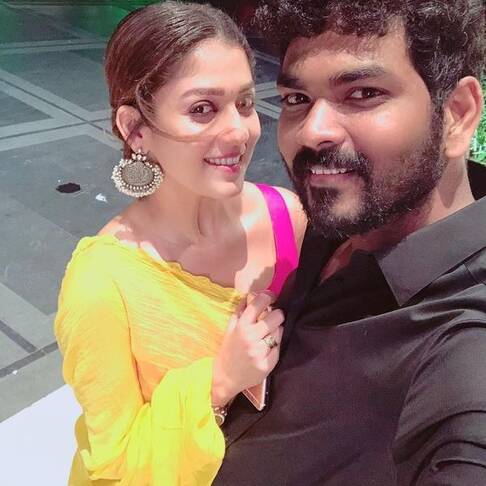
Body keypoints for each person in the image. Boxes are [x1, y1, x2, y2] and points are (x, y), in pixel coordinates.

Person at [215, 1, 486, 484]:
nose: (312, 131)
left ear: (457, 114)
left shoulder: (463, 351)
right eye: (296, 98)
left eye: (363, 93)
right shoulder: (346, 213)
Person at [54, 2, 306, 485]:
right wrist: (219, 382)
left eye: (245, 103)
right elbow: (114, 464)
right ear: (135, 129)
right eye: (202, 109)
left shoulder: (289, 218)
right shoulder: (102, 284)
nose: (240, 131)